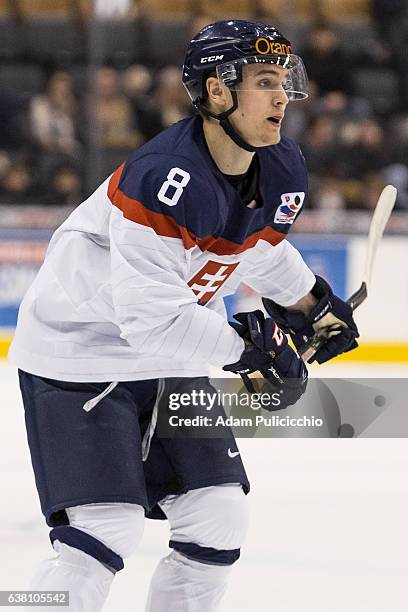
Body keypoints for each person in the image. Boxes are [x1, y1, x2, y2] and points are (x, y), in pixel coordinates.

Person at [9, 20, 359, 612]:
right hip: (82, 358)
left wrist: (310, 304)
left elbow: (257, 246)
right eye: (264, 81)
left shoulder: (277, 165)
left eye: (285, 81)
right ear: (217, 92)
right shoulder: (162, 180)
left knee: (218, 516)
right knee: (102, 533)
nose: (283, 98)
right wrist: (251, 347)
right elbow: (151, 323)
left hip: (170, 359)